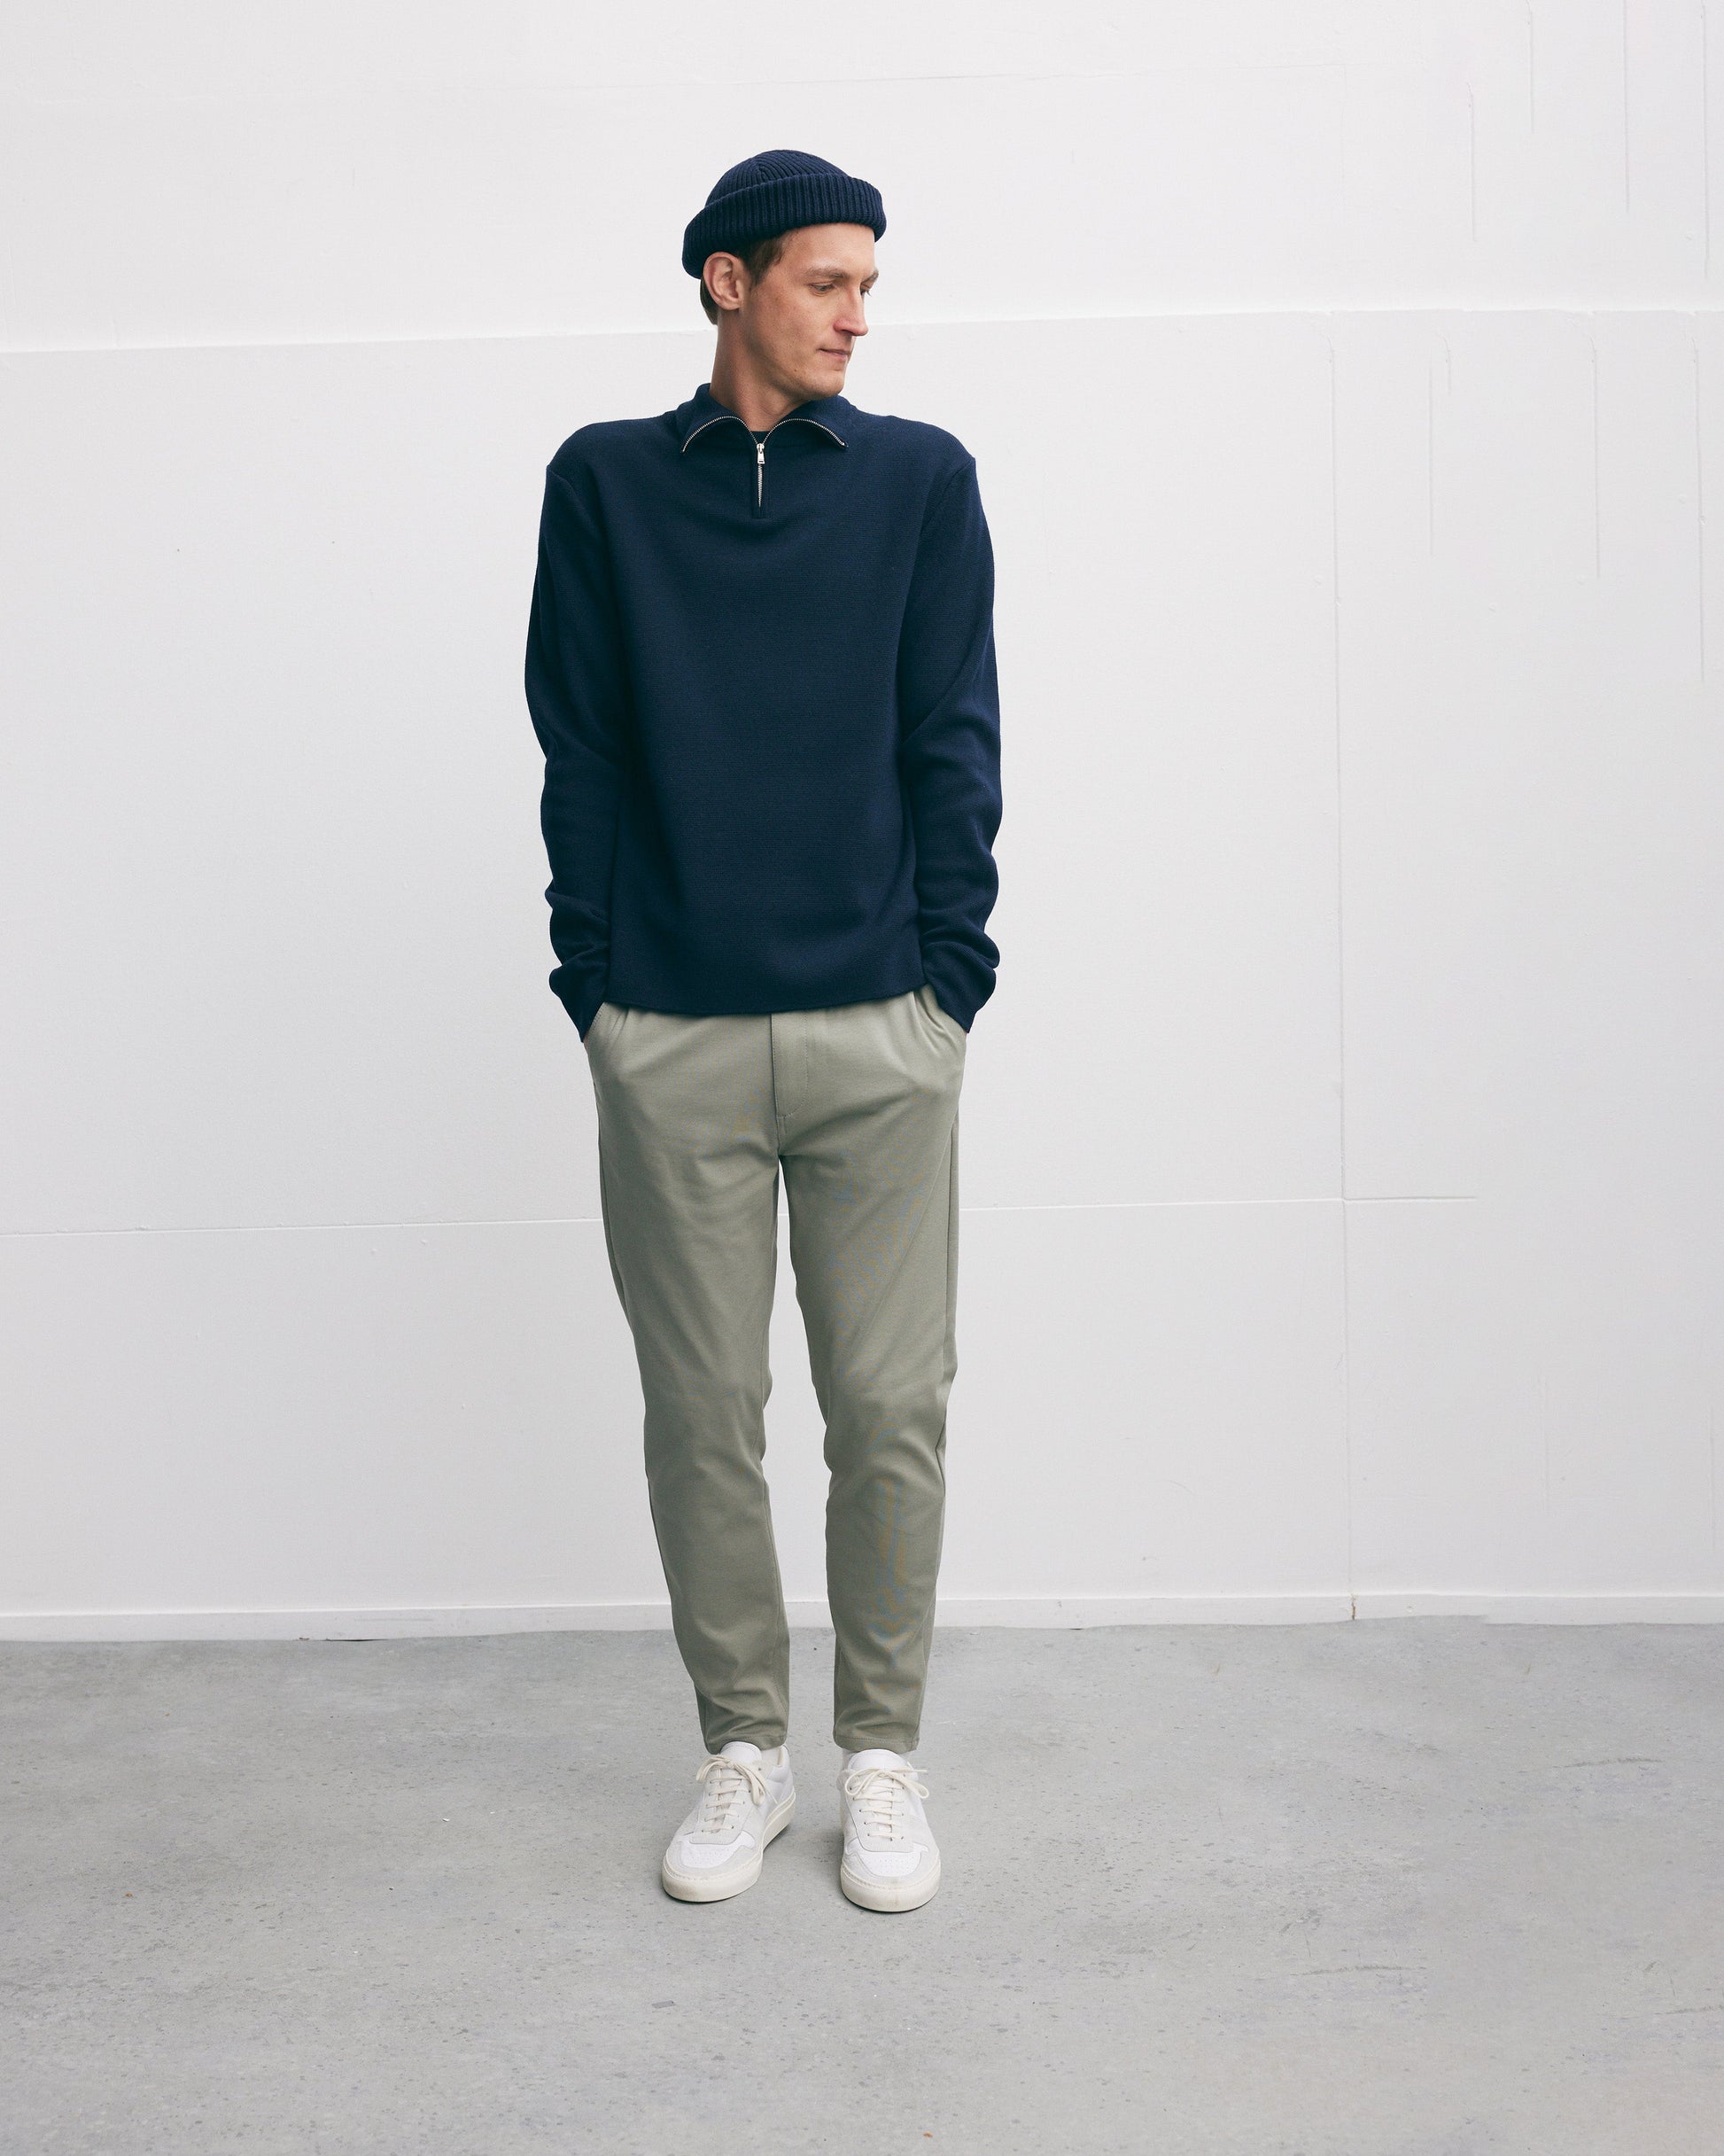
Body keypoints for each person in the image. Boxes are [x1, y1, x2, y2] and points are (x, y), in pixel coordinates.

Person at [524, 149, 1002, 1912]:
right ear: (728, 282)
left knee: (889, 1407)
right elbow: (579, 742)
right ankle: (742, 1744)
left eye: (870, 285)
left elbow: (952, 734)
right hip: (672, 1031)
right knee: (701, 1414)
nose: (859, 316)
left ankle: (878, 1753)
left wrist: (949, 979)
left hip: (882, 1024)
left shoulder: (920, 483)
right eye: (827, 281)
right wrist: (598, 985)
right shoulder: (603, 483)